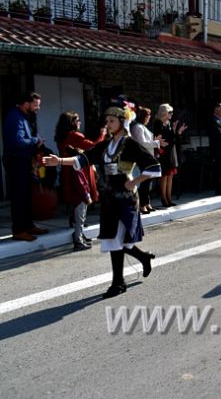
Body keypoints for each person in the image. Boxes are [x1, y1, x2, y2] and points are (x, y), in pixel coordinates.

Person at [43, 106, 162, 298]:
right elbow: (83, 159)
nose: (108, 124)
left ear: (122, 123)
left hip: (125, 198)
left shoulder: (130, 144)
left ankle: (118, 283)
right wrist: (59, 161)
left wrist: (134, 181)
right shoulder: (105, 146)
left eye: (111, 121)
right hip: (109, 197)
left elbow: (154, 166)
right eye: (107, 121)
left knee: (116, 239)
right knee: (116, 239)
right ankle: (144, 258)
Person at [55, 111, 106, 250]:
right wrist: (102, 134)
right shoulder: (74, 135)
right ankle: (78, 239)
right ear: (71, 123)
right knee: (81, 205)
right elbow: (93, 146)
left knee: (76, 205)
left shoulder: (61, 137)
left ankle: (79, 235)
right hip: (78, 171)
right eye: (77, 120)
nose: (79, 123)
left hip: (67, 172)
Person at [2, 91, 48, 241]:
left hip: (24, 160)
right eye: (36, 105)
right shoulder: (15, 117)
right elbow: (18, 142)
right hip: (16, 161)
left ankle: (28, 226)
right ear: (26, 103)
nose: (37, 108)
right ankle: (19, 230)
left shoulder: (23, 117)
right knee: (19, 196)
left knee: (27, 195)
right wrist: (35, 140)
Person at [131, 106, 165, 213]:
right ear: (143, 117)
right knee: (144, 183)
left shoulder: (141, 127)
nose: (149, 118)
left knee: (148, 182)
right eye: (148, 116)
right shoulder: (137, 127)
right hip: (142, 159)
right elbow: (142, 143)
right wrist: (157, 143)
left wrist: (155, 141)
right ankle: (142, 205)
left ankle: (146, 202)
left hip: (147, 158)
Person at [153, 103, 186, 206]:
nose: (172, 114)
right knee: (164, 176)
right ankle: (164, 198)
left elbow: (173, 139)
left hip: (171, 152)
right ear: (164, 113)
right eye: (170, 112)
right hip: (163, 153)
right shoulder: (158, 123)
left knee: (170, 175)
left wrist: (177, 132)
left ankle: (169, 197)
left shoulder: (168, 123)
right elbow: (160, 138)